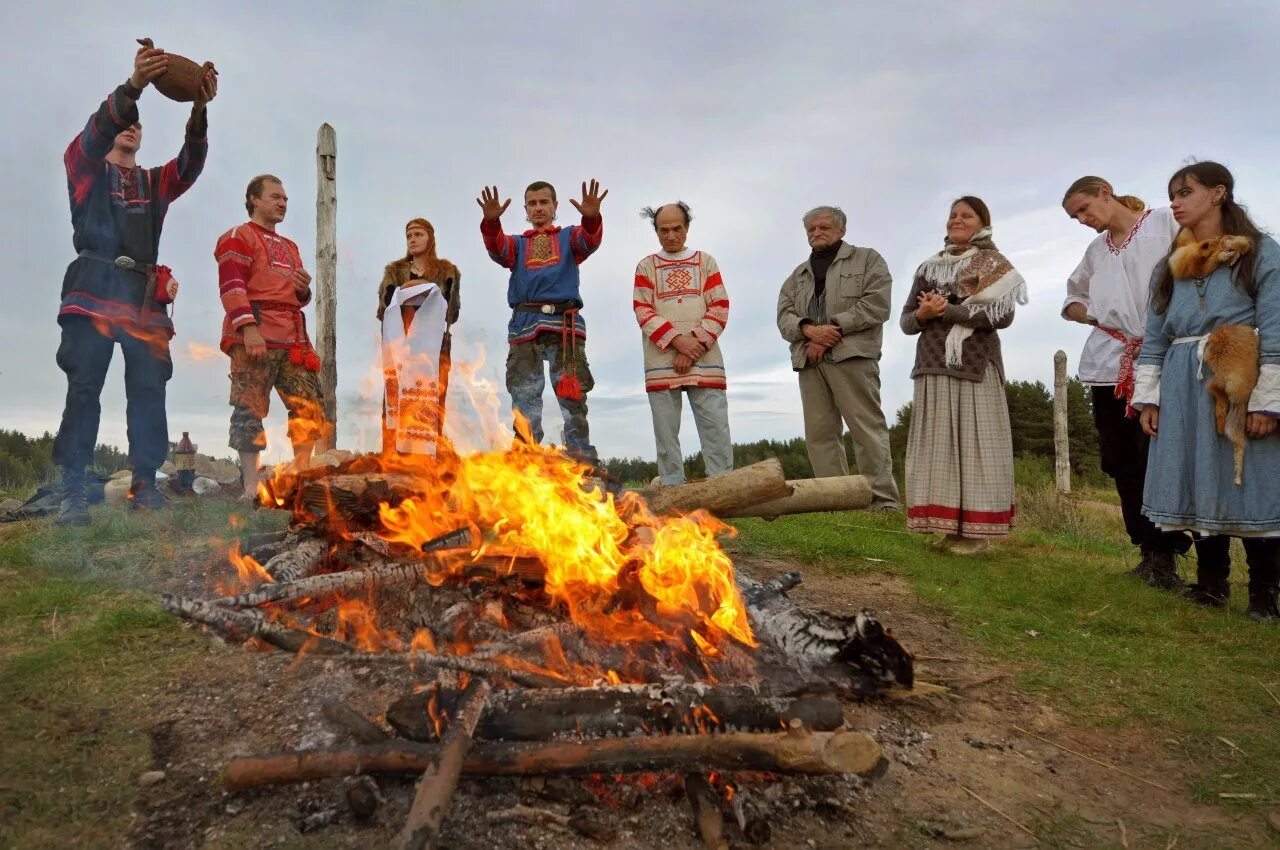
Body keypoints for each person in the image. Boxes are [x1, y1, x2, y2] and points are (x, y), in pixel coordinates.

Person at [53, 42, 216, 525]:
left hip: (144, 299)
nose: (130, 125)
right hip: (93, 289)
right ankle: (74, 491)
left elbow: (191, 164)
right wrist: (135, 87)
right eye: (126, 120)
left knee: (149, 390)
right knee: (84, 387)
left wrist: (200, 106)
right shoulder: (83, 168)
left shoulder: (154, 182)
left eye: (138, 123)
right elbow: (95, 130)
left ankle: (145, 484)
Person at [1132, 161, 1279, 622]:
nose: (1174, 202)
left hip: (1238, 372)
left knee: (1252, 476)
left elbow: (1275, 325)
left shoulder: (1261, 253)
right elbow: (1155, 333)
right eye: (1171, 194)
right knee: (1196, 472)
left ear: (1218, 193)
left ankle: (1264, 597)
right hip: (1181, 378)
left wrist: (1268, 399)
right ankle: (1211, 584)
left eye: (1184, 192)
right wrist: (1149, 396)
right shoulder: (1169, 264)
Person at [1061, 176, 1197, 588]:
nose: (1082, 220)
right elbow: (1071, 299)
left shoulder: (1161, 224)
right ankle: (1146, 550)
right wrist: (1092, 313)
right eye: (1074, 216)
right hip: (1109, 362)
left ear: (1106, 191)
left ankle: (1168, 553)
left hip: (1162, 355)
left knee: (1155, 455)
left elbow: (1196, 270)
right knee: (1119, 460)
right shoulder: (1096, 250)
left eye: (1084, 209)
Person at [900, 197, 1025, 554]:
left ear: (982, 222)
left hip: (974, 365)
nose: (957, 220)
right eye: (953, 215)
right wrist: (925, 314)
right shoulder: (930, 267)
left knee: (974, 447)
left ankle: (975, 535)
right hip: (932, 362)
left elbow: (1002, 316)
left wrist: (950, 310)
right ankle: (949, 529)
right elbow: (907, 322)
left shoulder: (992, 263)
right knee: (941, 448)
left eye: (965, 215)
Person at [776, 206, 900, 510]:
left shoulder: (868, 259)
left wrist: (830, 330)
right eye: (811, 229)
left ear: (841, 230)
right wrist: (808, 330)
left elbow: (877, 305)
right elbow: (784, 317)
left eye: (824, 227)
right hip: (810, 361)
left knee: (865, 428)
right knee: (820, 435)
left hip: (853, 357)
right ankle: (836, 504)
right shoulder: (797, 276)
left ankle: (882, 503)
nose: (816, 233)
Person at [478, 180, 607, 465]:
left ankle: (581, 456)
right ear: (525, 208)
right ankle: (526, 454)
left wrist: (591, 217)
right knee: (525, 394)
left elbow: (590, 240)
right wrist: (491, 223)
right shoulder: (518, 244)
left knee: (572, 394)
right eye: (533, 203)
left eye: (544, 202)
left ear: (555, 206)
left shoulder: (569, 237)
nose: (538, 208)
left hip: (564, 326)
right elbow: (498, 250)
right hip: (525, 325)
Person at [214, 175, 325, 498]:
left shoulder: (291, 247)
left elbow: (295, 295)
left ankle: (301, 476)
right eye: (275, 197)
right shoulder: (237, 236)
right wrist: (248, 328)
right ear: (253, 199)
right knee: (249, 408)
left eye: (286, 199)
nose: (282, 203)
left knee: (308, 405)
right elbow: (232, 285)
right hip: (256, 333)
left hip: (293, 340)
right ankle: (250, 486)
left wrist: (303, 290)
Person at [633, 202, 732, 485]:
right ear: (656, 232)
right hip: (661, 362)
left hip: (705, 360)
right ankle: (673, 493)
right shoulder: (646, 266)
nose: (671, 235)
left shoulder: (706, 262)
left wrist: (694, 345)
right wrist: (678, 342)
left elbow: (720, 306)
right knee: (665, 433)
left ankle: (724, 491)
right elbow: (643, 310)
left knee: (716, 429)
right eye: (664, 230)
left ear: (687, 228)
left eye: (677, 228)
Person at [377, 219, 459, 455]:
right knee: (396, 397)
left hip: (434, 348)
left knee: (433, 399)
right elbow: (384, 310)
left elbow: (453, 314)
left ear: (430, 238)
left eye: (418, 234)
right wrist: (407, 291)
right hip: (400, 347)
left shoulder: (447, 271)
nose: (412, 239)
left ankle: (428, 457)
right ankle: (392, 457)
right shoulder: (394, 271)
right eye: (408, 235)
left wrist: (427, 288)